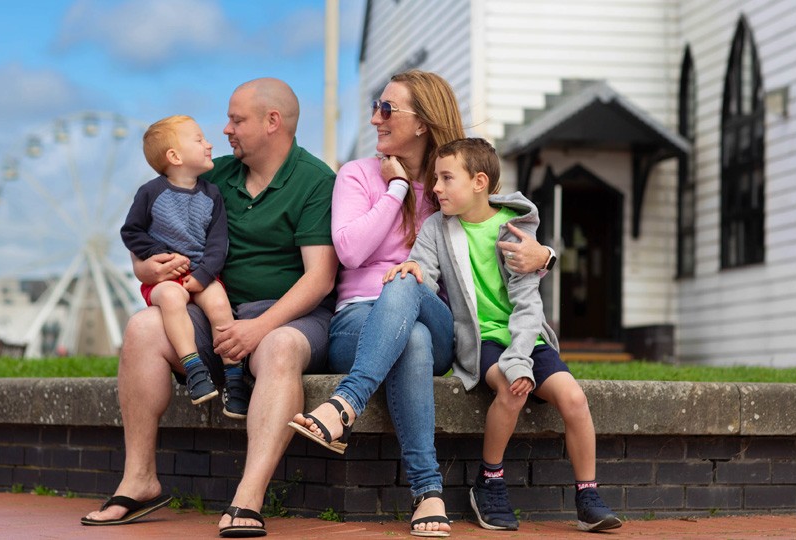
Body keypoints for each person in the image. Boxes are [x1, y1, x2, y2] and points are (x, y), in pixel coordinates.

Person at [289, 70, 550, 537]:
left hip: (438, 320)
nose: (375, 118)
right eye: (375, 106)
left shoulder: (451, 184)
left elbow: (505, 221)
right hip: (358, 323)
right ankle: (428, 492)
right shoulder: (357, 175)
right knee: (410, 335)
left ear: (423, 122)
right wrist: (396, 190)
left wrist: (546, 254)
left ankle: (344, 404)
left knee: (408, 283)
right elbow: (349, 251)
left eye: (387, 109)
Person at [81, 78, 338, 537]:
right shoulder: (212, 175)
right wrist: (145, 269)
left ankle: (248, 497)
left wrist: (256, 328)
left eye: (237, 120)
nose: (225, 130)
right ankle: (140, 479)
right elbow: (147, 232)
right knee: (143, 326)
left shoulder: (316, 181)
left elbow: (318, 278)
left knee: (278, 348)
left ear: (272, 122)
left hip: (292, 317)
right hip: (215, 313)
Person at [383, 137, 622, 533]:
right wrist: (410, 271)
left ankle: (587, 494)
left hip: (525, 337)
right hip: (482, 341)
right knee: (513, 388)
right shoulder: (436, 228)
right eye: (435, 178)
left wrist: (522, 356)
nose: (436, 188)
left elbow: (529, 305)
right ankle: (489, 482)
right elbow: (422, 272)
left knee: (575, 398)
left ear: (479, 182)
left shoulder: (513, 230)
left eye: (446, 178)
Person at [120, 114, 239, 410]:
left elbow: (217, 241)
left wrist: (205, 274)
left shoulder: (212, 194)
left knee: (220, 305)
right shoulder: (150, 193)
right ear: (174, 156)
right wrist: (160, 254)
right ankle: (194, 368)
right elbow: (131, 231)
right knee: (172, 299)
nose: (209, 144)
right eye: (199, 140)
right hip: (164, 278)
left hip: (203, 272)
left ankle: (234, 378)